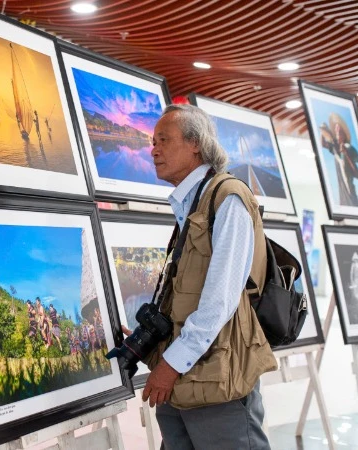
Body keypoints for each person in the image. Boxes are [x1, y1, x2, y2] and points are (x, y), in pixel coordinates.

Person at [121, 104, 276, 449]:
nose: (153, 150)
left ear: (195, 144)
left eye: (163, 139)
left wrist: (169, 365)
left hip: (217, 386)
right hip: (183, 382)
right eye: (152, 141)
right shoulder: (194, 204)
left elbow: (219, 300)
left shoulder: (228, 198)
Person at [319, 113, 358, 207]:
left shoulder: (349, 149)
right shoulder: (335, 148)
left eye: (340, 130)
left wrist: (346, 154)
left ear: (344, 134)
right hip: (342, 194)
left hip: (351, 193)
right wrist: (322, 131)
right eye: (336, 129)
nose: (337, 131)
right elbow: (323, 144)